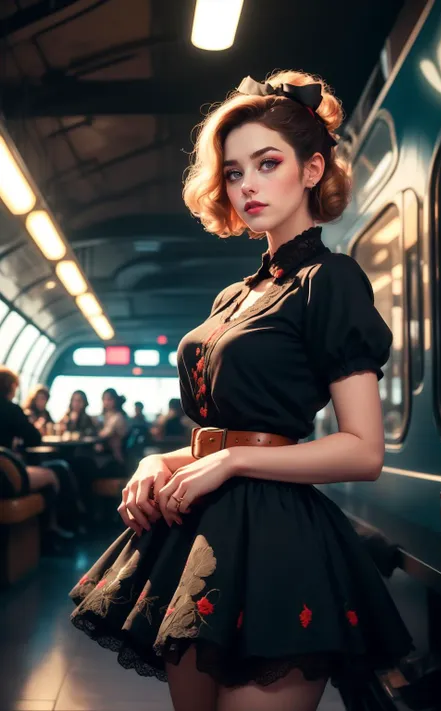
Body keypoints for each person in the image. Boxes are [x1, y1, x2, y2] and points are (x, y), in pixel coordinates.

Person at [69, 70, 413, 711]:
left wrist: (229, 460)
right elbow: (228, 428)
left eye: (267, 163)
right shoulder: (234, 295)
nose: (248, 184)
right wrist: (161, 459)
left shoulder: (329, 280)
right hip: (197, 535)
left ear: (312, 171)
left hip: (279, 541)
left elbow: (363, 452)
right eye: (233, 172)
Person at [0, 367, 77, 543]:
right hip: (5, 476)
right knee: (54, 472)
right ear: (11, 387)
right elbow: (34, 438)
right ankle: (50, 530)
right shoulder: (11, 409)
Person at [95, 388, 129, 470]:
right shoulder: (104, 416)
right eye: (104, 399)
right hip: (106, 451)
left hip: (115, 455)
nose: (106, 402)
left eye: (109, 399)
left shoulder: (117, 417)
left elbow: (103, 434)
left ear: (115, 401)